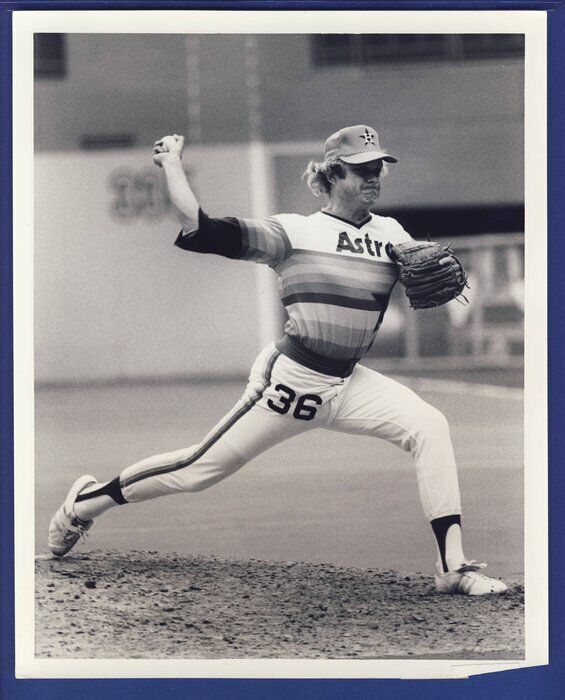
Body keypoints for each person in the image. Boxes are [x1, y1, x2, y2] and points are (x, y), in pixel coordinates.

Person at [48, 125, 507, 595]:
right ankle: (86, 502)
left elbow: (420, 279)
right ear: (331, 175)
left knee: (429, 425)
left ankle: (453, 568)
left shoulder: (391, 233)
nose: (374, 177)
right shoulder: (294, 232)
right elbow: (201, 228)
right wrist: (171, 166)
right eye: (362, 169)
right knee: (196, 471)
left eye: (378, 168)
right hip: (291, 380)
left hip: (350, 383)